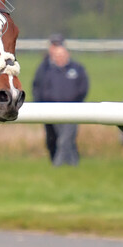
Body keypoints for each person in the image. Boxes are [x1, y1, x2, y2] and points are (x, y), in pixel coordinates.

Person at [32, 34, 89, 166]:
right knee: (52, 139)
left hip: (72, 109)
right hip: (49, 109)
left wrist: (77, 100)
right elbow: (38, 87)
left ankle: (60, 165)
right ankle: (71, 164)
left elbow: (83, 87)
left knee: (66, 139)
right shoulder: (45, 68)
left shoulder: (77, 68)